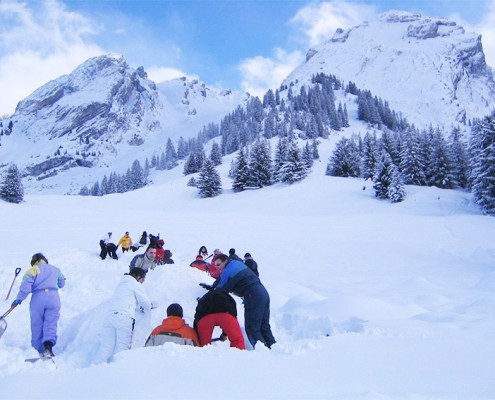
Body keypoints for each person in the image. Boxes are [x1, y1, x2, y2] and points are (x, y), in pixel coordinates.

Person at [213, 254, 275, 349]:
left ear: (225, 261)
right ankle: (275, 349)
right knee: (264, 327)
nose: (217, 268)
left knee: (252, 328)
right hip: (263, 293)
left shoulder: (228, 270)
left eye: (218, 265)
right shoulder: (236, 264)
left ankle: (264, 354)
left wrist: (209, 294)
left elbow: (221, 289)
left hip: (253, 295)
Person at [11, 253, 66, 357]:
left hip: (38, 298)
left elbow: (25, 288)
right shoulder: (55, 269)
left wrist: (19, 299)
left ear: (35, 262)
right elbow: (62, 284)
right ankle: (48, 347)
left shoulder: (32, 270)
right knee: (51, 323)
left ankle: (36, 350)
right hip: (54, 298)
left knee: (37, 323)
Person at [97, 268, 152, 362]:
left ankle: (96, 368)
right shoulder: (135, 284)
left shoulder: (121, 284)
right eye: (143, 279)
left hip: (110, 317)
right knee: (122, 348)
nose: (143, 281)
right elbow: (145, 302)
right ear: (138, 277)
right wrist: (150, 307)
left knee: (106, 347)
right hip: (124, 317)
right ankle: (118, 371)